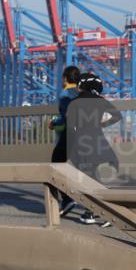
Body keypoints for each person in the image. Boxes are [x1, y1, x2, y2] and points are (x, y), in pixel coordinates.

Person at [66, 72, 122, 226]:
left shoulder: (75, 103)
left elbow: (70, 128)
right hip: (99, 142)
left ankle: (96, 212)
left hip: (83, 145)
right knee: (96, 179)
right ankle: (99, 211)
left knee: (87, 179)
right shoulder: (100, 101)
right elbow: (117, 116)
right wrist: (101, 125)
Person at [49, 65, 82, 216]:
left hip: (72, 133)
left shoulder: (65, 94)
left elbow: (67, 115)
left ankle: (68, 199)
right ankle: (95, 209)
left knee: (56, 165)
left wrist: (55, 122)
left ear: (65, 78)